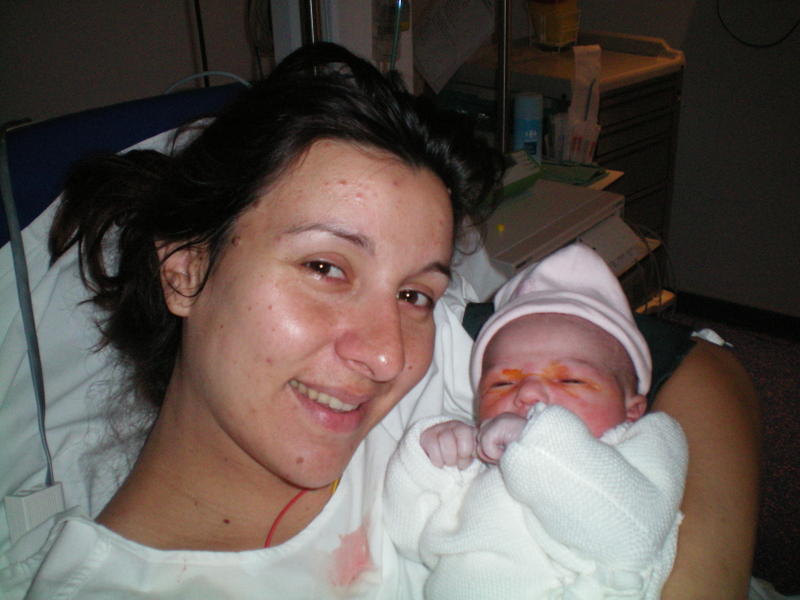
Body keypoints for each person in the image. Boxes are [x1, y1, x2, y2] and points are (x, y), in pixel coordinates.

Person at [10, 42, 759, 599]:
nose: (383, 356)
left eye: (414, 294)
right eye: (325, 267)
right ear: (186, 269)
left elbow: (699, 364)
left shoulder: (426, 377)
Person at [384, 242, 688, 599]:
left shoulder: (649, 440)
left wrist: (538, 442)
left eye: (570, 380)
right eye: (502, 383)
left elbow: (633, 537)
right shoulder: (477, 464)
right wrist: (429, 460)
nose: (528, 392)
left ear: (632, 408)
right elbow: (410, 539)